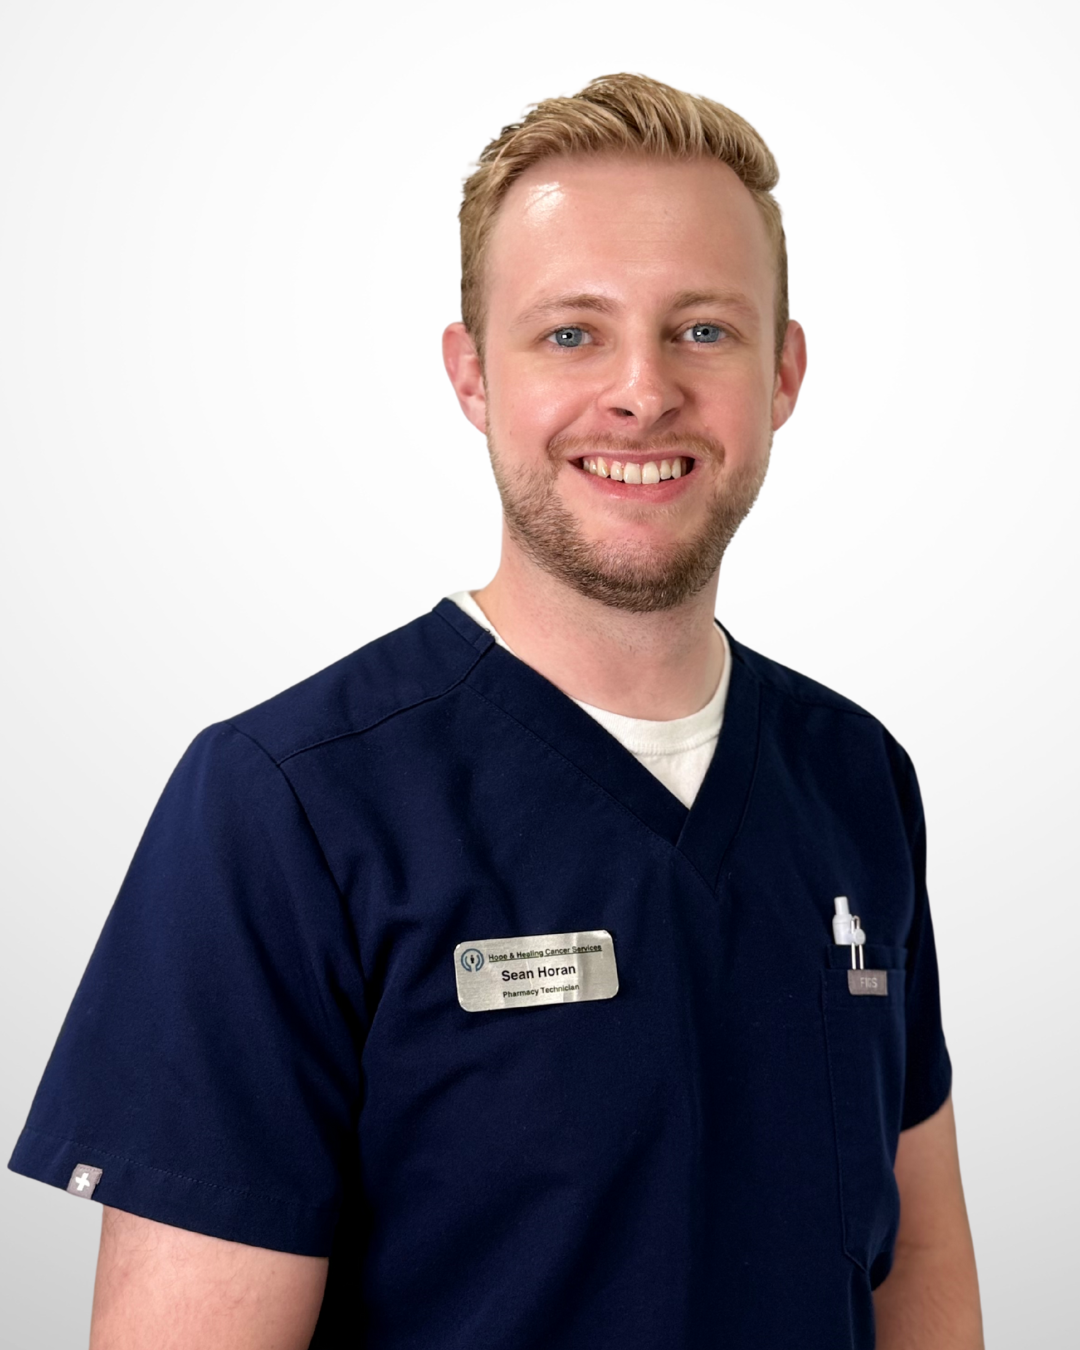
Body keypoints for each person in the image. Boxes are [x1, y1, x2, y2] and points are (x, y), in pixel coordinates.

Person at [9, 73, 983, 1349]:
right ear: (472, 374)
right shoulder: (284, 807)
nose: (641, 393)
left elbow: (914, 1261)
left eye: (703, 330)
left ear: (784, 371)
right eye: (571, 333)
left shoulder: (854, 776)